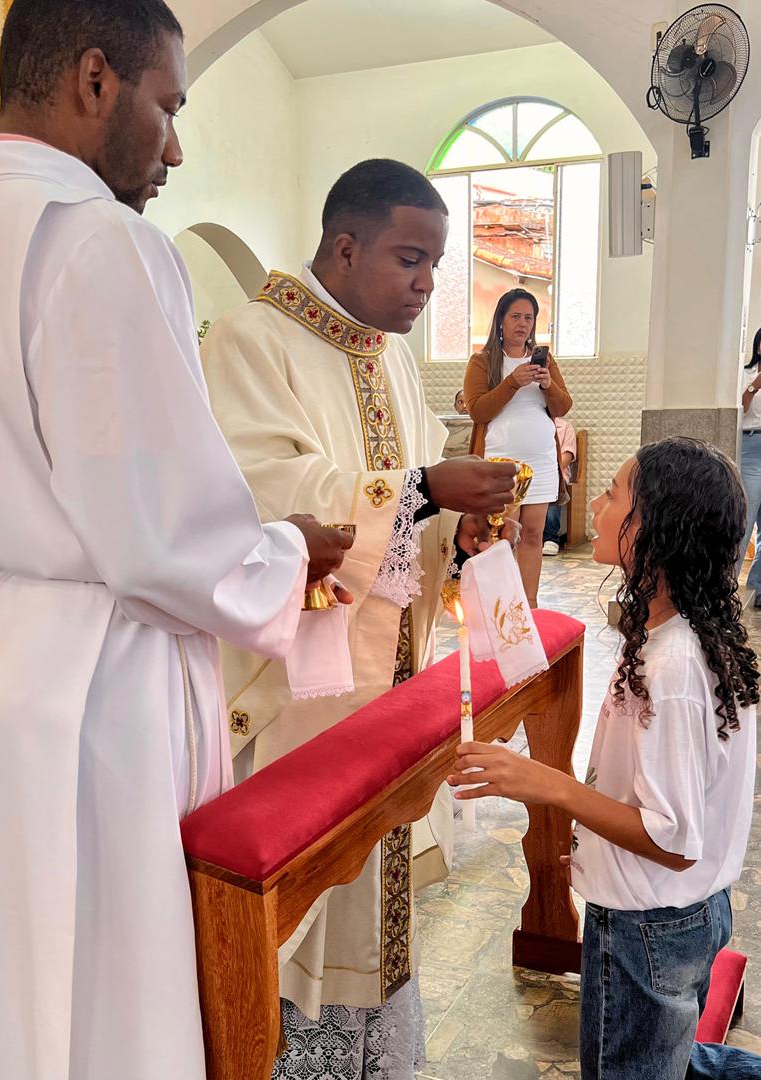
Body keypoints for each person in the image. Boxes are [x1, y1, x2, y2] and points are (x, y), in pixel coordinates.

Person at [0, 3, 353, 1079]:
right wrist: (288, 549)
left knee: (1, 967)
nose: (174, 148)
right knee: (113, 995)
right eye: (168, 107)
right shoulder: (105, 242)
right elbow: (169, 539)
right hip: (102, 682)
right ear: (95, 80)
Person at [202, 158, 519, 1080]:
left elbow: (414, 504)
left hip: (392, 683)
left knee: (378, 891)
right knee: (306, 903)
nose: (427, 285)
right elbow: (267, 496)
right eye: (409, 260)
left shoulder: (391, 354)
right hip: (303, 690)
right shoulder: (251, 340)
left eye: (436, 265)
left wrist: (459, 525)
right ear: (345, 249)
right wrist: (423, 490)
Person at [449, 437, 761, 1080]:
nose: (593, 504)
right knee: (665, 1059)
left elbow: (673, 839)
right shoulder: (683, 633)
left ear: (656, 531)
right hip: (679, 909)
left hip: (649, 928)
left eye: (614, 495)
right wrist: (599, 846)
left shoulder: (672, 667)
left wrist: (546, 783)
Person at [463, 287, 572, 606]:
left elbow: (563, 406)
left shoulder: (545, 360)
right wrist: (512, 382)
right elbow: (478, 410)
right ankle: (501, 606)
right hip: (501, 460)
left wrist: (548, 384)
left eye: (528, 317)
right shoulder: (482, 361)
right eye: (515, 316)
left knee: (534, 534)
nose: (522, 324)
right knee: (501, 536)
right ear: (501, 320)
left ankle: (530, 606)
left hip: (541, 459)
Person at [737, 327, 761, 602]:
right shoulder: (744, 374)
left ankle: (759, 589)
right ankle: (726, 586)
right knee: (744, 520)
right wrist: (755, 386)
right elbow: (739, 411)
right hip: (752, 444)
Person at [542, 416, 577, 555]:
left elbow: (567, 456)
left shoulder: (565, 427)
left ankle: (551, 538)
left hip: (557, 472)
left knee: (553, 480)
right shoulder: (533, 423)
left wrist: (547, 470)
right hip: (533, 472)